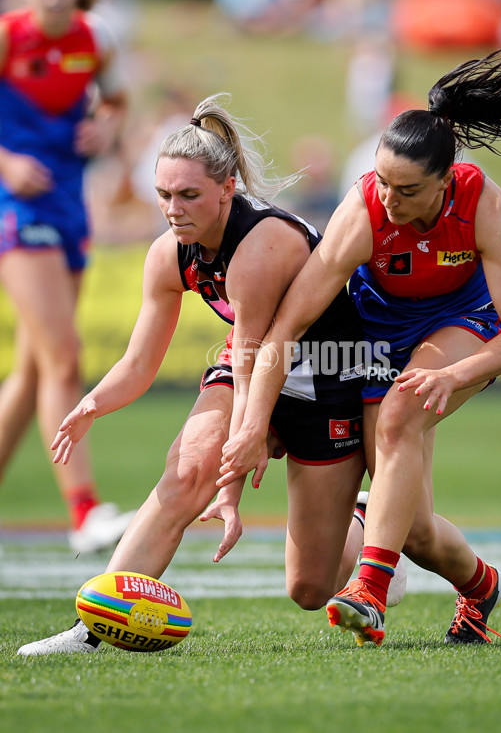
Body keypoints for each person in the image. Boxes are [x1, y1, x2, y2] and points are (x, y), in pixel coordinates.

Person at [217, 47, 501, 646]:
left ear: (445, 180)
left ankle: (370, 591)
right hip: (376, 335)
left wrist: (457, 375)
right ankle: (483, 587)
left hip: (464, 322)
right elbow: (283, 329)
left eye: (406, 190)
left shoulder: (483, 203)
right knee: (406, 536)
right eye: (382, 181)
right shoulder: (362, 212)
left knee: (402, 415)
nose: (388, 200)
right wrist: (254, 425)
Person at [17, 92, 374, 656]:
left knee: (310, 589)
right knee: (186, 472)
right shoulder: (167, 254)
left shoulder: (262, 244)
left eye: (189, 195)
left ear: (228, 189)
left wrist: (246, 446)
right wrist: (93, 403)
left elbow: (261, 352)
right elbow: (140, 362)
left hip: (329, 375)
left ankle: (367, 524)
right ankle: (91, 628)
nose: (173, 209)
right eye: (163, 195)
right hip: (254, 361)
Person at [0, 0, 132, 553]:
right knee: (63, 356)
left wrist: (106, 126)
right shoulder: (8, 36)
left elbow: (117, 101)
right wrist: (6, 164)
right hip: (15, 204)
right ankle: (84, 512)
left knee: (33, 371)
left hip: (68, 199)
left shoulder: (95, 38)